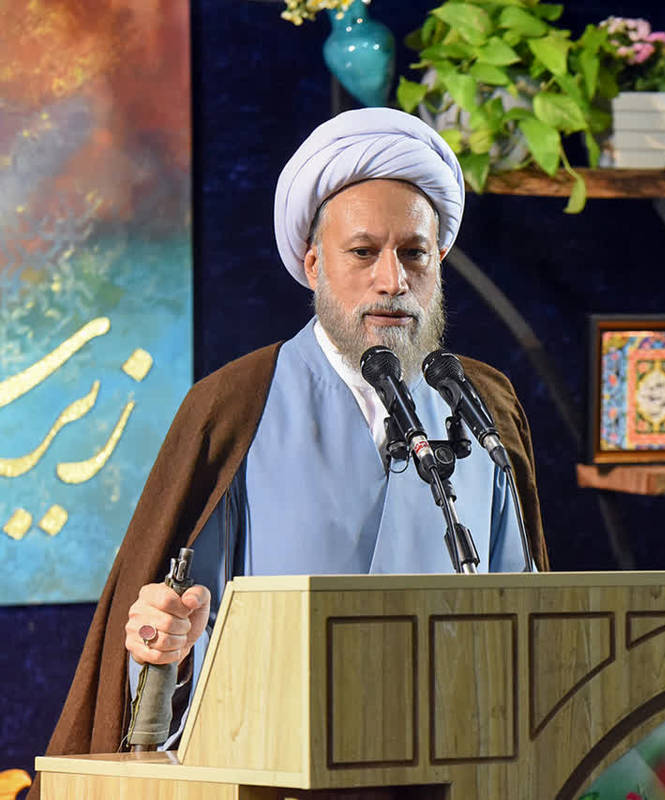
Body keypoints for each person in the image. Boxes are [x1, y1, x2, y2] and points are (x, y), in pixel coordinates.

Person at [35, 109, 548, 782]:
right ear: (313, 264)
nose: (392, 280)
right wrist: (161, 651)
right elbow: (174, 638)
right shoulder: (236, 406)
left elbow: (528, 617)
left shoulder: (481, 403)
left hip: (460, 768)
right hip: (279, 775)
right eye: (362, 252)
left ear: (439, 262)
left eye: (414, 253)